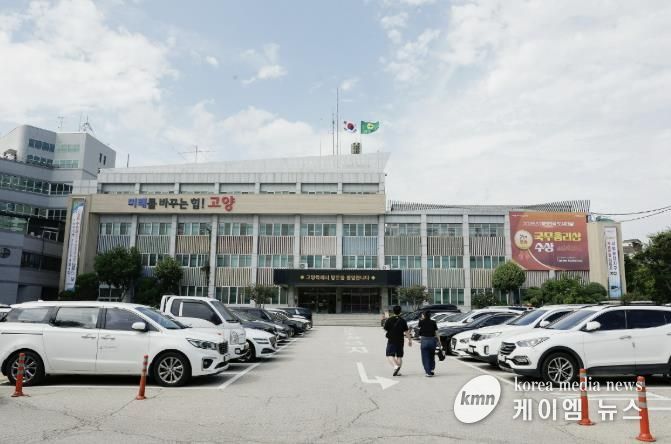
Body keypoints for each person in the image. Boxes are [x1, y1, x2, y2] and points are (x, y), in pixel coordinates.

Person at [383, 305, 412, 376]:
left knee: (389, 354)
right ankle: (398, 372)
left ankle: (395, 366)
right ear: (400, 312)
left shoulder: (389, 320)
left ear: (393, 311)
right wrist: (410, 340)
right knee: (399, 356)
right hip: (400, 340)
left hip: (392, 340)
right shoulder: (403, 320)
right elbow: (406, 332)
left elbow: (385, 329)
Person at [417, 310, 441, 377]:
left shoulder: (421, 322)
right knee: (432, 356)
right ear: (430, 315)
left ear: (424, 315)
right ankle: (432, 369)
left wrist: (422, 318)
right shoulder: (433, 322)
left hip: (424, 340)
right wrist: (439, 341)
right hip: (432, 340)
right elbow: (437, 332)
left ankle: (428, 372)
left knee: (425, 357)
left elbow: (419, 328)